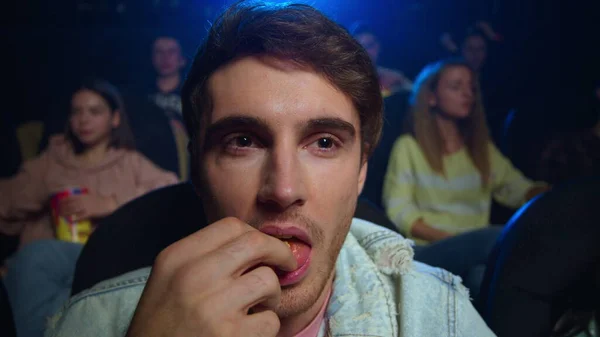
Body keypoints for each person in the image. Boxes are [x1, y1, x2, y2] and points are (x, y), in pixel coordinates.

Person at [46, 3, 495, 336]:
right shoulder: (91, 323)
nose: (282, 189)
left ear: (361, 170)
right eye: (242, 141)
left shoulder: (440, 316)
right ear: (198, 171)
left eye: (323, 142)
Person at [0, 79, 178, 337]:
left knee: (76, 292)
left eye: (94, 111)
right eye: (76, 111)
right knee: (36, 262)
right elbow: (6, 199)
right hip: (40, 262)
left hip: (100, 261)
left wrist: (110, 203)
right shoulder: (52, 158)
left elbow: (169, 193)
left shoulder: (129, 162)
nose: (84, 119)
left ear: (114, 118)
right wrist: (45, 190)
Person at [382, 59, 548, 296]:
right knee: (498, 239)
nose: (467, 94)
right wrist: (459, 241)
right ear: (431, 97)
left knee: (481, 276)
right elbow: (400, 212)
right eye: (456, 86)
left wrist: (553, 194)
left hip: (479, 250)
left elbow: (517, 189)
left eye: (470, 87)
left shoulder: (480, 149)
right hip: (429, 250)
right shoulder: (409, 147)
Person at [350, 22, 412, 209]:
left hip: (389, 148)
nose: (366, 51)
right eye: (360, 45)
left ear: (379, 47)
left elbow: (421, 101)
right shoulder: (343, 79)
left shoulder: (394, 79)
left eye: (370, 45)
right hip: (358, 146)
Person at [128, 34, 190, 181]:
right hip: (147, 162)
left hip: (182, 162)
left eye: (171, 52)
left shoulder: (193, 93)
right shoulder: (140, 95)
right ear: (151, 58)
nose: (165, 58)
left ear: (182, 59)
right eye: (159, 52)